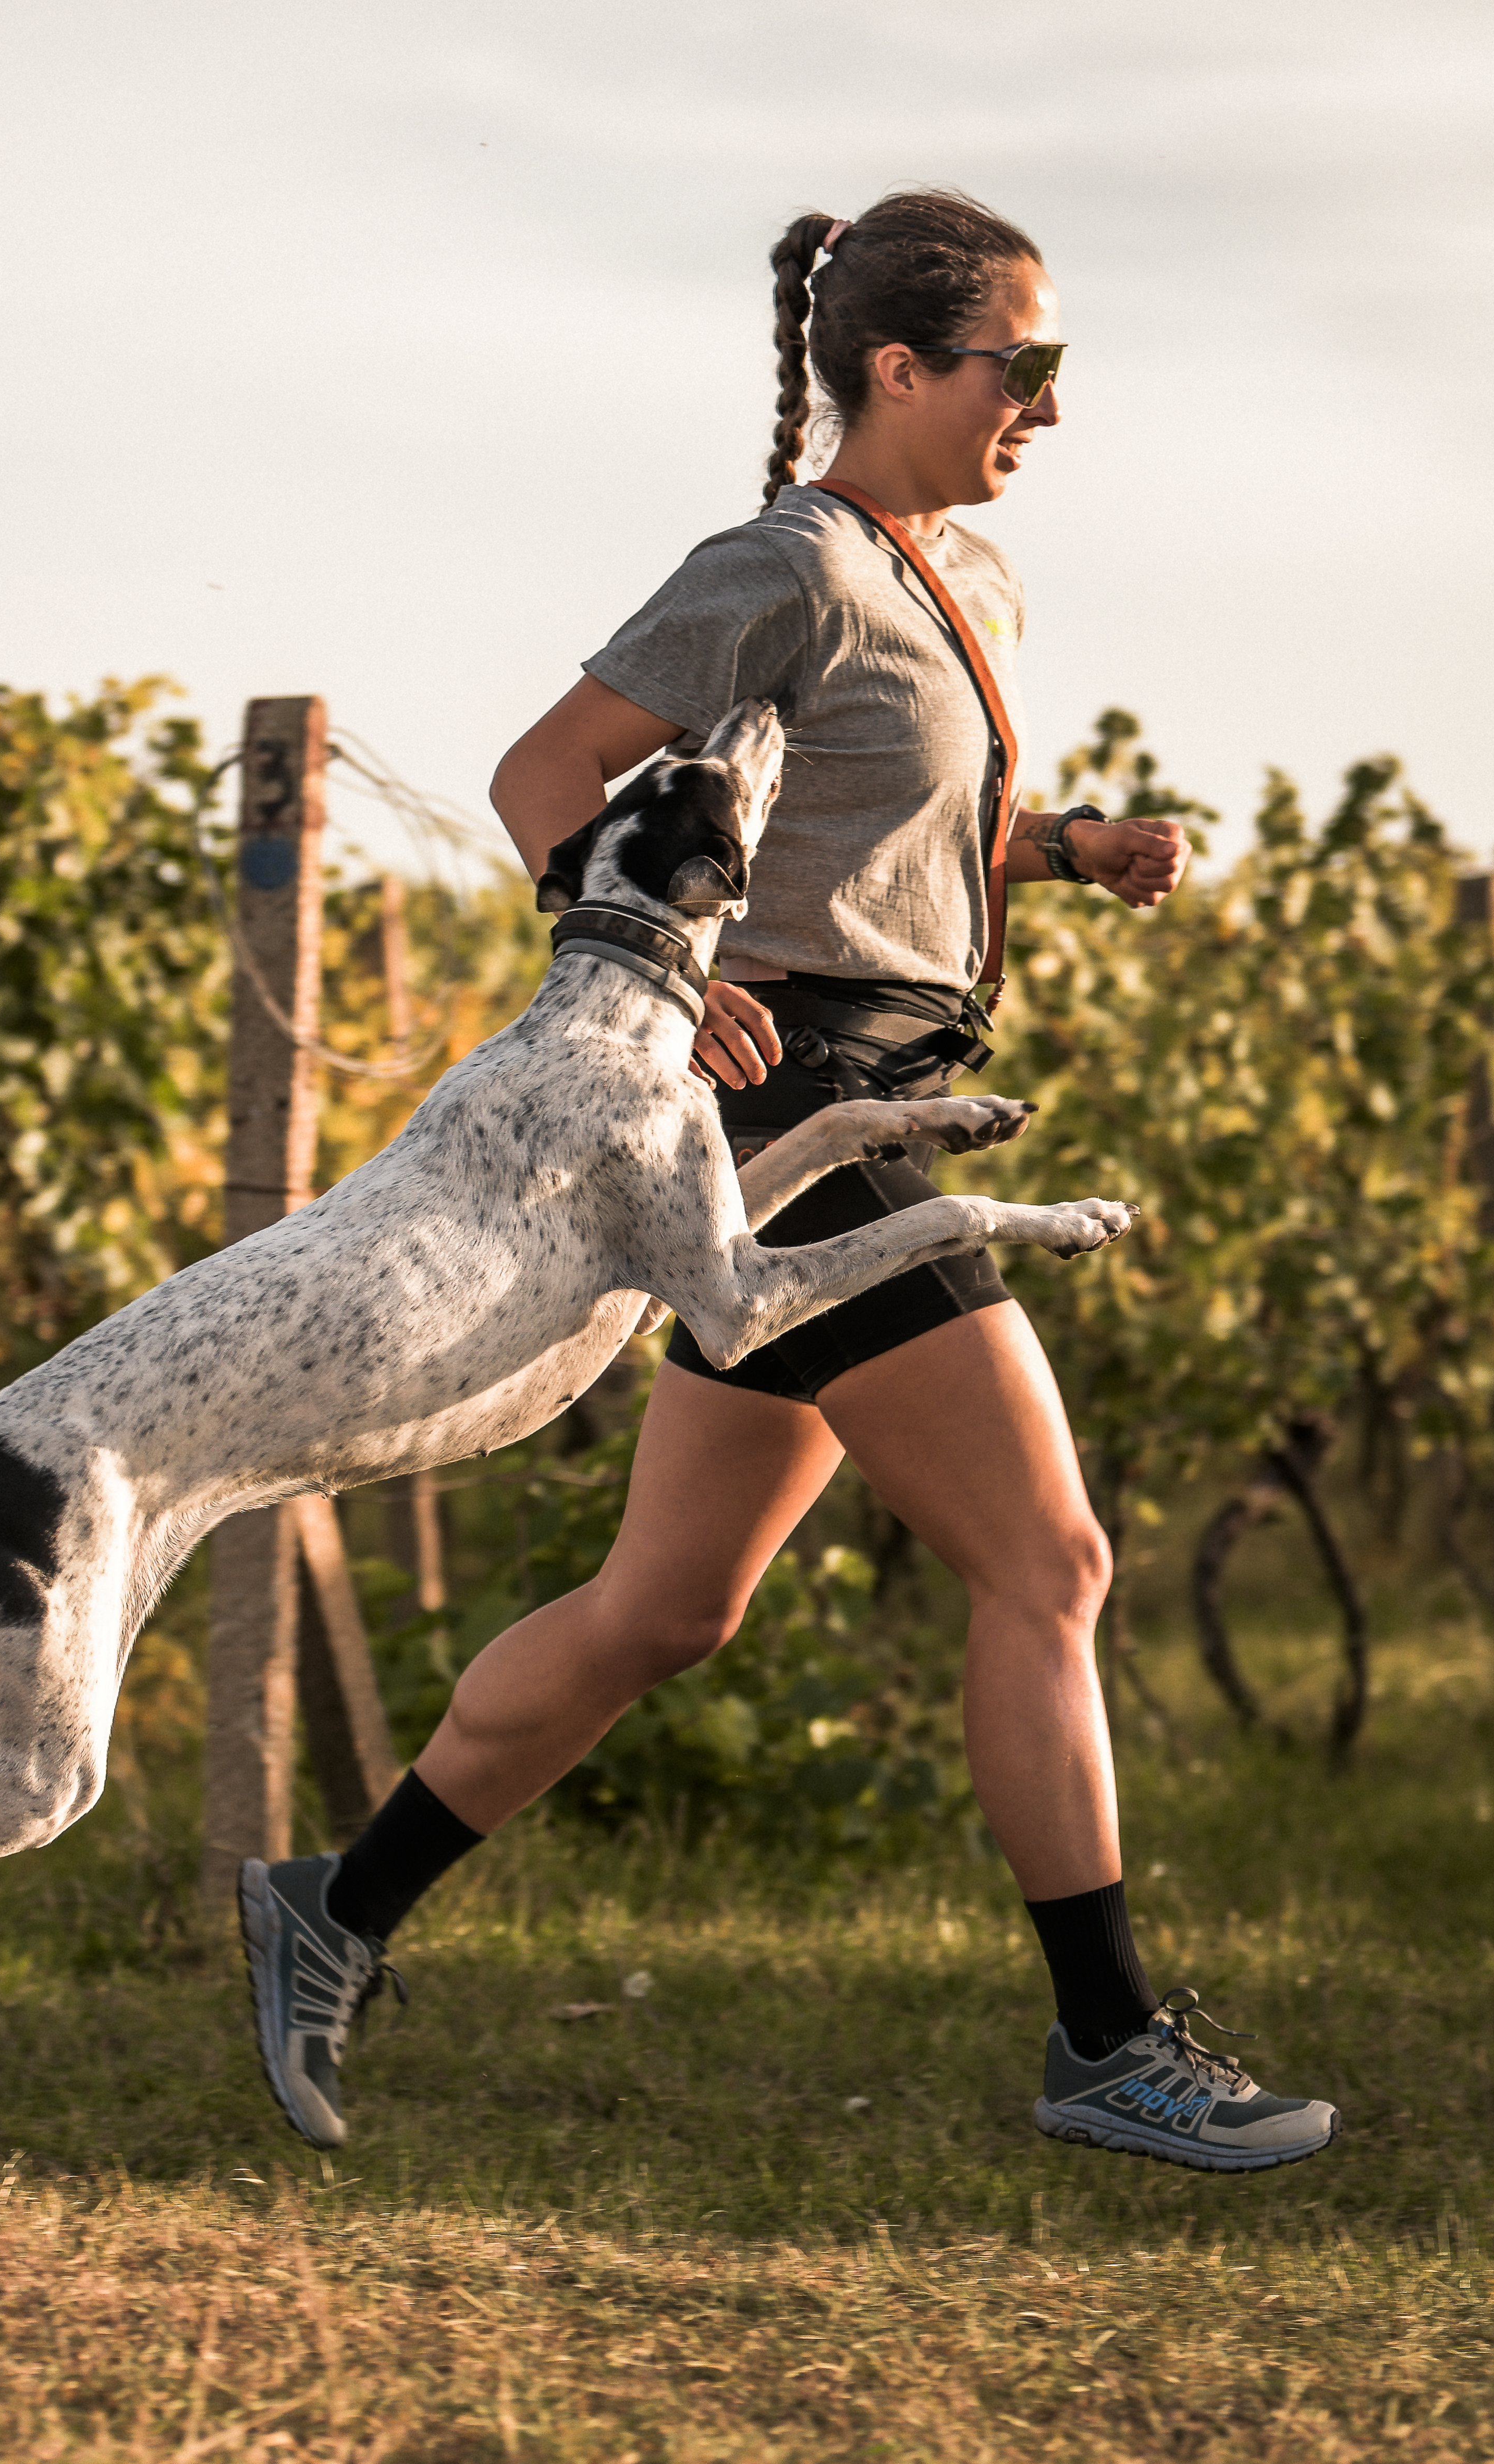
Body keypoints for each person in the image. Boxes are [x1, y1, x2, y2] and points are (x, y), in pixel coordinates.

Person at [239, 189, 1336, 2174]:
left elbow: (896, 839)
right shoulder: (784, 567)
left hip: (889, 1083)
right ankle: (1110, 2041)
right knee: (1052, 1559)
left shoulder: (968, 580)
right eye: (1034, 369)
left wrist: (1070, 849)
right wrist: (679, 969)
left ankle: (336, 1904)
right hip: (792, 1101)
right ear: (901, 369)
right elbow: (542, 782)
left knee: (668, 1605)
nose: (1057, 409)